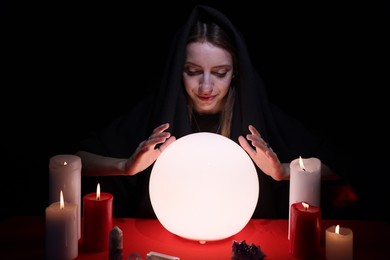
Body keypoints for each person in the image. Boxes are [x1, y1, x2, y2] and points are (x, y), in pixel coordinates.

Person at [76, 5, 342, 219]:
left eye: (219, 73)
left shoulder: (258, 115)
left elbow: (345, 166)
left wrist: (282, 171)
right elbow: (71, 161)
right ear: (178, 71)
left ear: (235, 72)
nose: (205, 86)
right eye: (192, 71)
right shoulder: (156, 113)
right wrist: (125, 166)